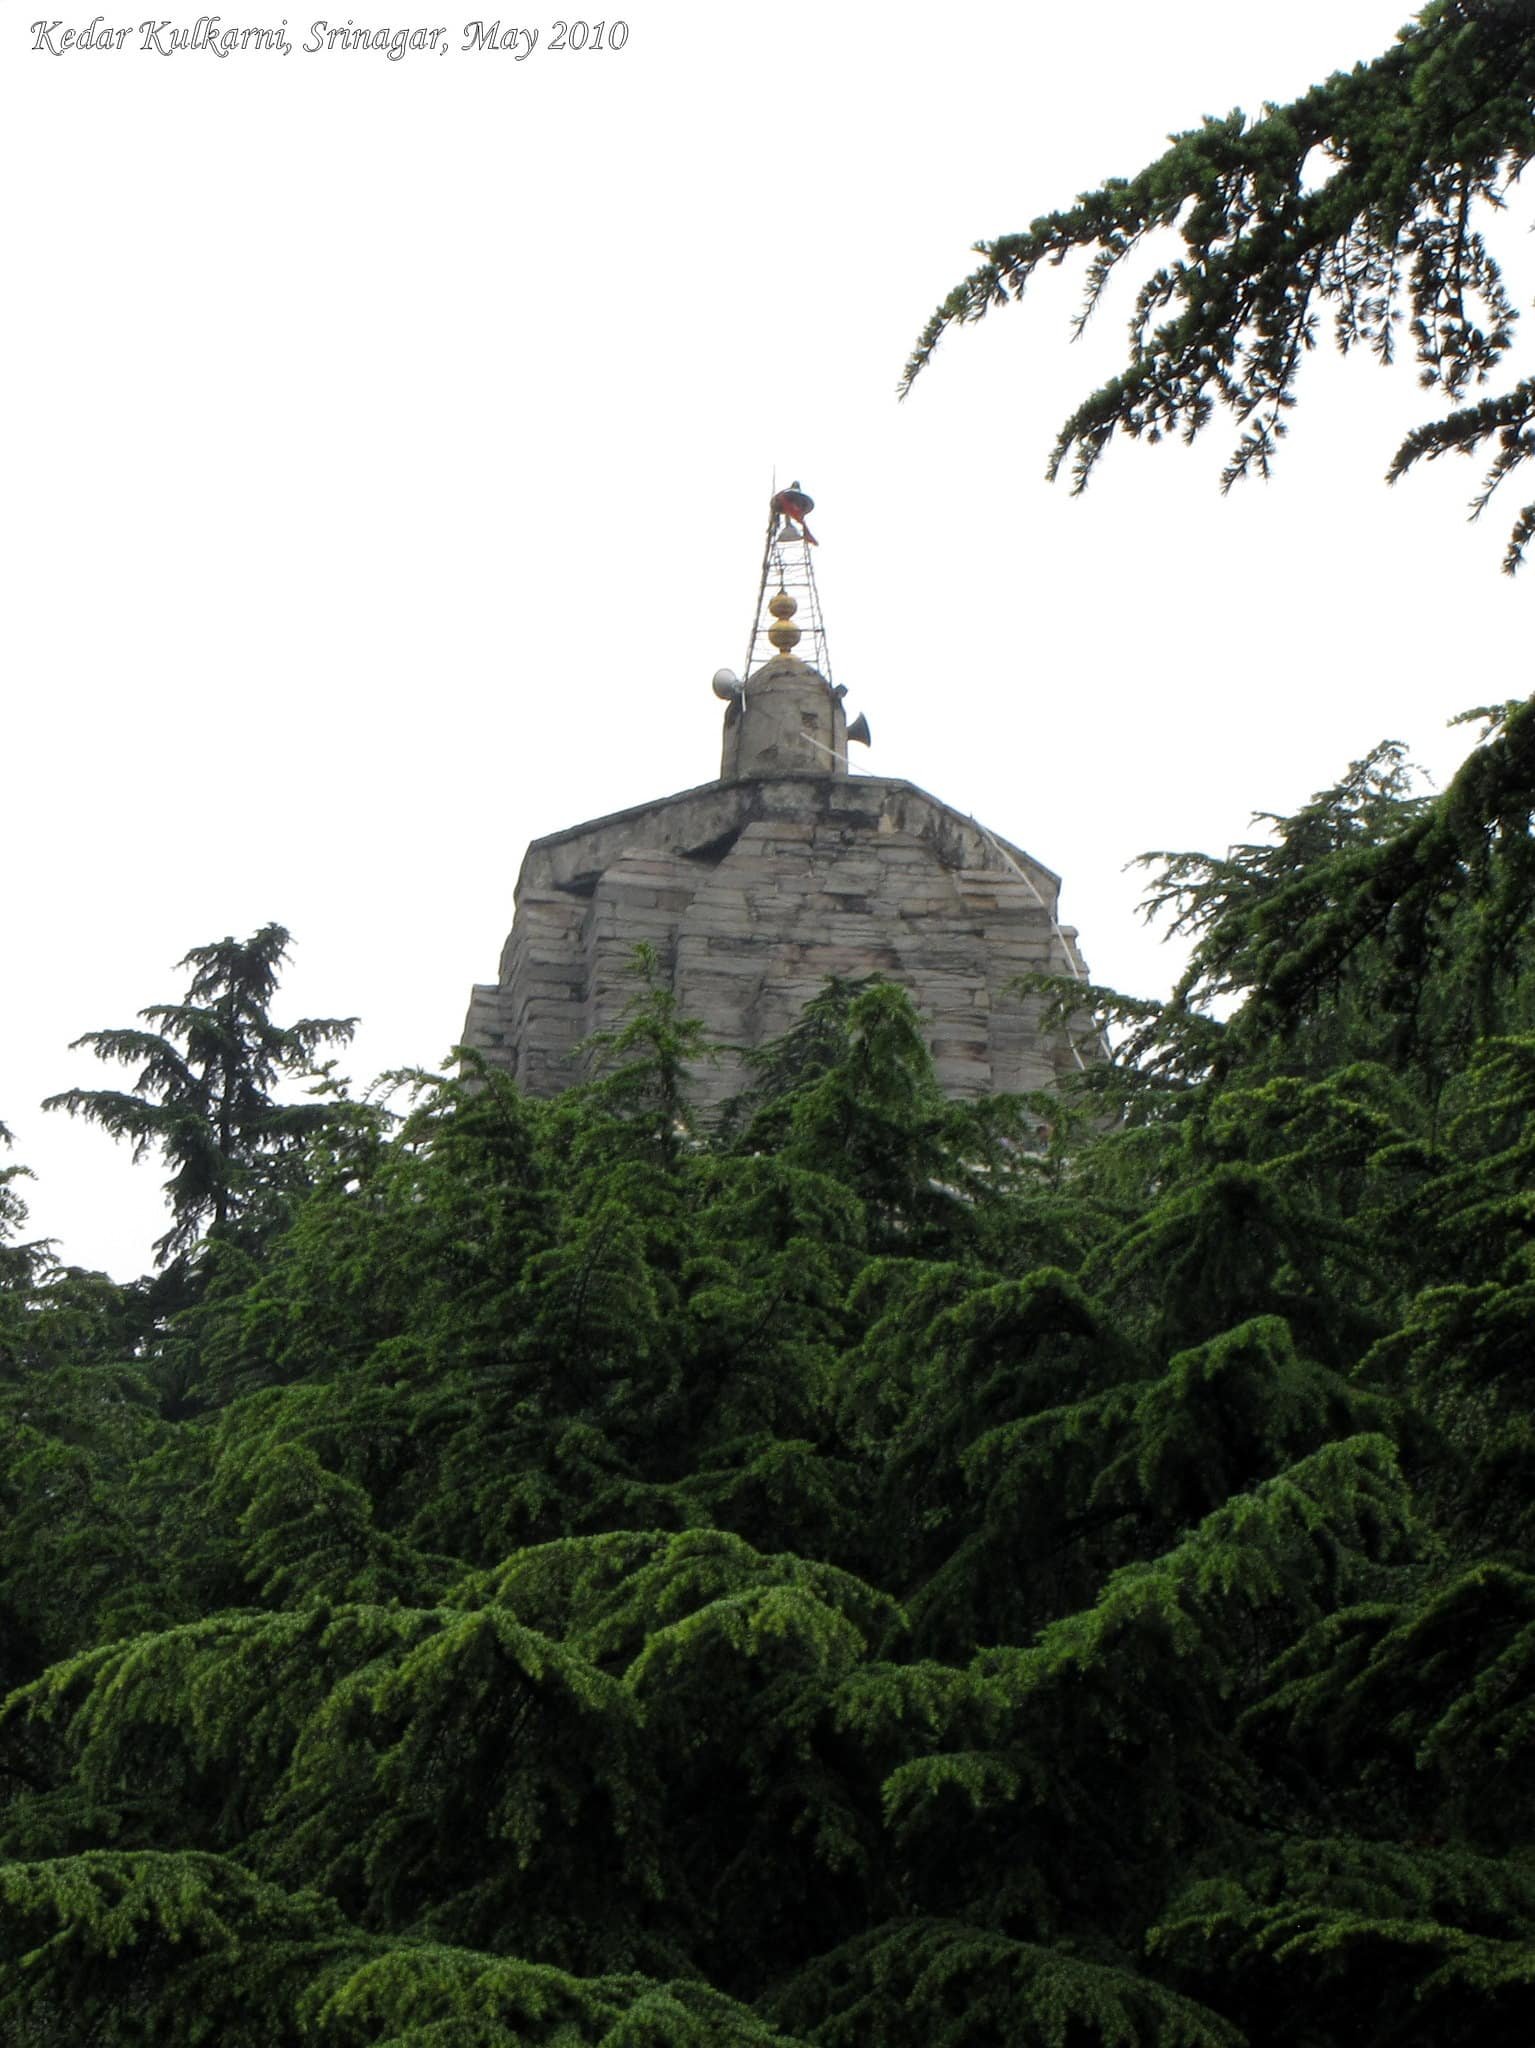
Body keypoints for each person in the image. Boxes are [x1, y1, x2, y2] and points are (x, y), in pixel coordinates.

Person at [769, 481, 817, 545]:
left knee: (790, 512)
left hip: (783, 505)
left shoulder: (793, 498)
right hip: (781, 504)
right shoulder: (786, 497)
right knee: (788, 511)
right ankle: (786, 525)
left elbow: (794, 510)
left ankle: (787, 525)